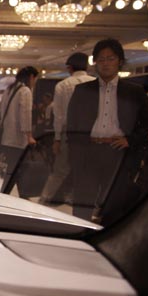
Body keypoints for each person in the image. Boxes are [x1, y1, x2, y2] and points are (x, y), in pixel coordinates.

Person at [67, 38, 148, 225]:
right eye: (101, 59)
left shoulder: (133, 91)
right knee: (83, 203)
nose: (106, 63)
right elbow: (72, 123)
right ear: (95, 63)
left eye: (110, 59)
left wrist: (131, 140)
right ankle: (79, 236)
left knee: (114, 204)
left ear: (120, 61)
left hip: (117, 153)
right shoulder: (83, 90)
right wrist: (76, 152)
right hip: (88, 151)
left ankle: (108, 238)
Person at [39, 52, 95, 205]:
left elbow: (59, 116)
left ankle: (44, 200)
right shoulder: (95, 83)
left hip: (69, 132)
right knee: (88, 170)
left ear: (70, 67)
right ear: (87, 65)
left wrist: (57, 139)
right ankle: (87, 203)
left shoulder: (63, 85)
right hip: (93, 133)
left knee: (60, 170)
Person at [0, 66, 38, 195]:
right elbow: (25, 115)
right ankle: (15, 194)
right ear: (31, 77)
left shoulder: (8, 90)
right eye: (34, 79)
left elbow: (2, 112)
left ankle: (10, 193)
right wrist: (29, 136)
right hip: (19, 139)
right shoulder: (25, 91)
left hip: (7, 137)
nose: (34, 82)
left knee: (13, 169)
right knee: (18, 169)